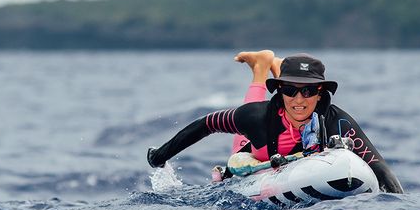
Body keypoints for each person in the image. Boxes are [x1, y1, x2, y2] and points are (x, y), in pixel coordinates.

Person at [147, 51, 404, 193]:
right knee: (241, 145)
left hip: (299, 159)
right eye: (290, 90)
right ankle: (261, 67)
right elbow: (206, 124)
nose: (299, 99)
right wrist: (160, 155)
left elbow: (380, 168)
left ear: (320, 93)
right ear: (279, 90)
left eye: (308, 91)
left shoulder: (339, 122)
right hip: (255, 155)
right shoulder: (255, 117)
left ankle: (278, 66)